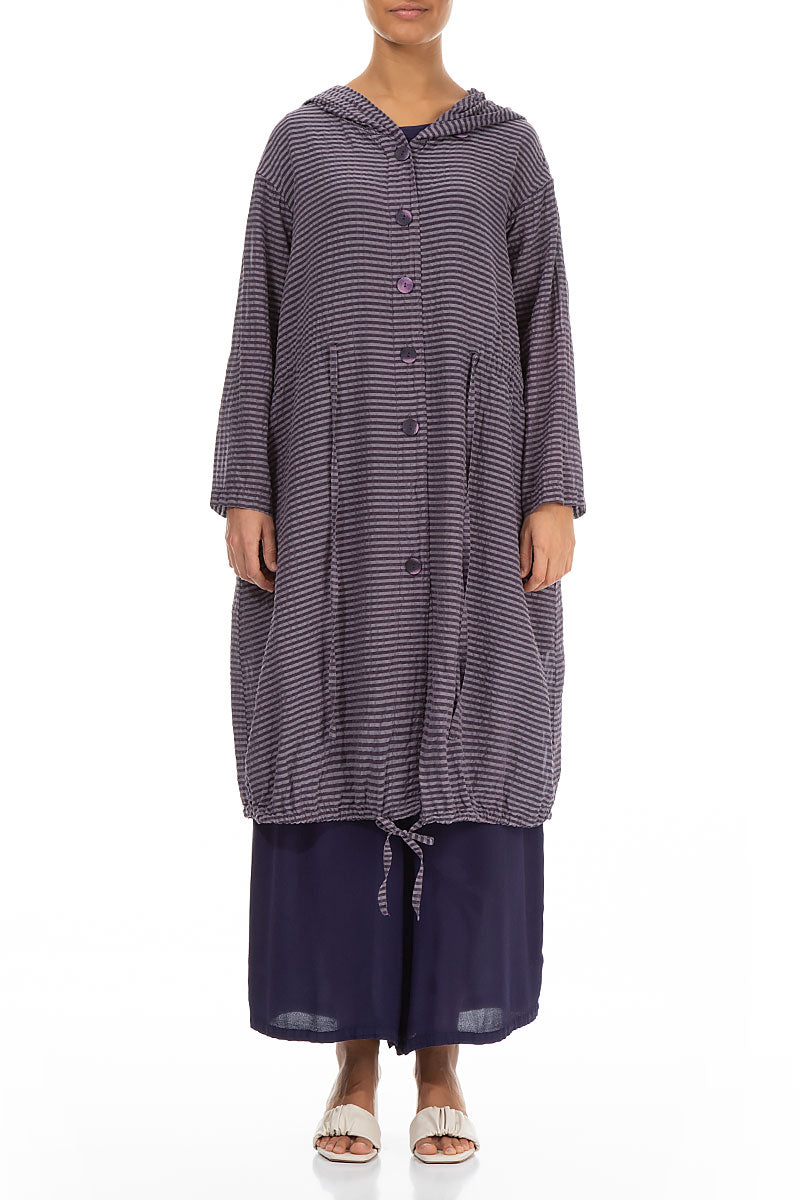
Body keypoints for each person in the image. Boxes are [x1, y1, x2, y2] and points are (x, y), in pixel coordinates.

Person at [210, 0, 585, 1166]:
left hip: (474, 500)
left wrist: (551, 493)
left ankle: (440, 1069)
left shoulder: (509, 151)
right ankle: (352, 1067)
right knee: (329, 734)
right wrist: (246, 486)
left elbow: (544, 325)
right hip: (333, 500)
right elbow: (260, 319)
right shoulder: (300, 144)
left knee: (475, 738)